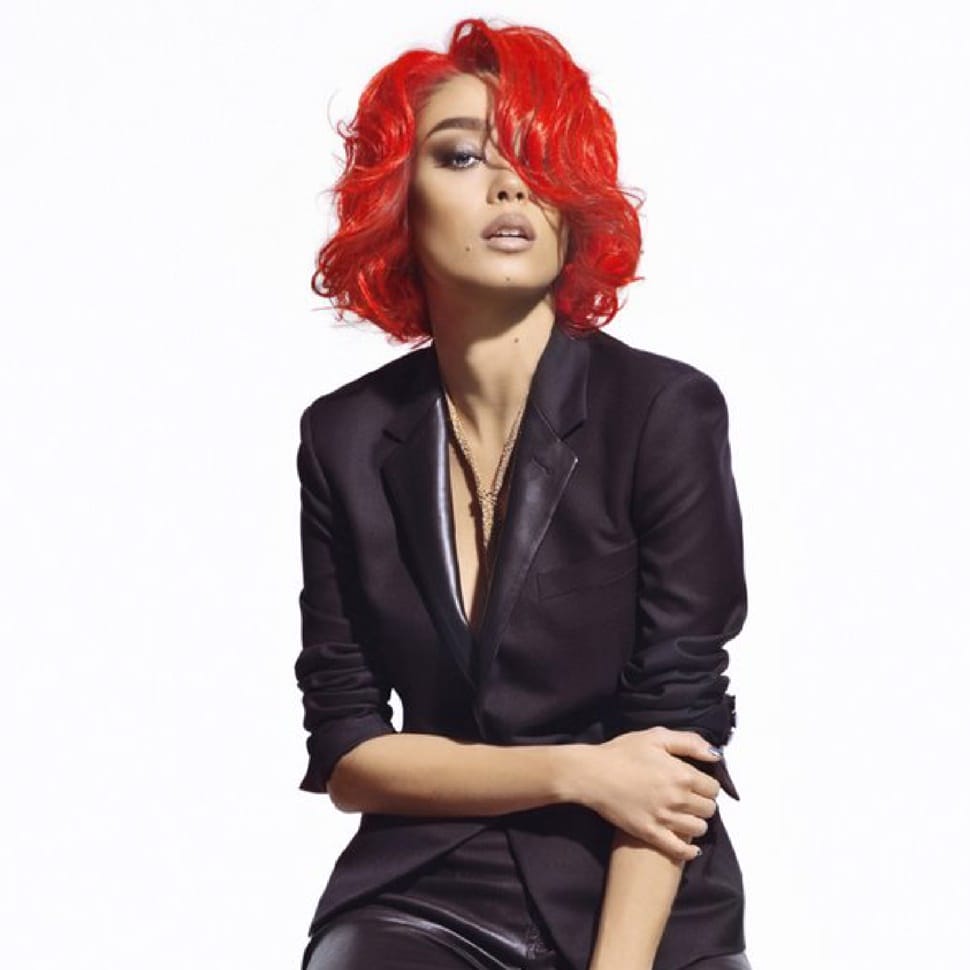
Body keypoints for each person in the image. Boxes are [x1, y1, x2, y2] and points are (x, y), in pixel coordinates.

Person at [294, 18, 752, 970]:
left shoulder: (663, 412)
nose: (510, 185)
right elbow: (349, 751)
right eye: (462, 156)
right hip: (428, 886)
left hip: (639, 884)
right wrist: (578, 772)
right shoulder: (345, 437)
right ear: (397, 200)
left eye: (541, 160)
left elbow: (675, 743)